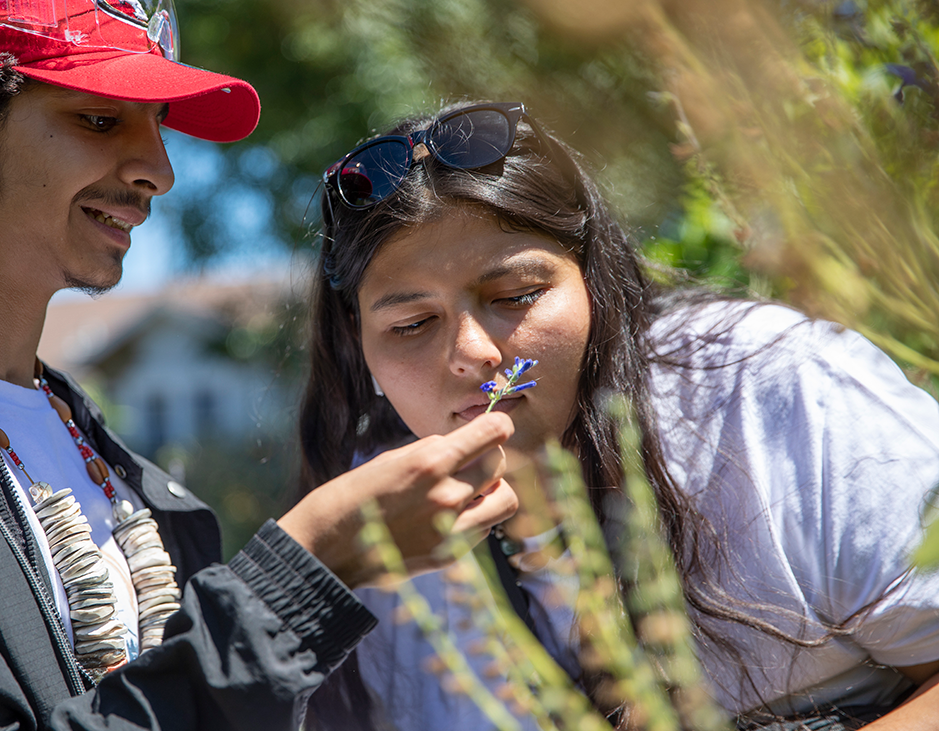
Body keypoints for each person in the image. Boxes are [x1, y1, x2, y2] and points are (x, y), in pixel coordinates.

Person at [0, 2, 522, 728]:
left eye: (158, 124)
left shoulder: (101, 451)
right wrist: (301, 580)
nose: (159, 170)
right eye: (99, 119)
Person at [297, 101, 939, 730]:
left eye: (517, 296)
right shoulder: (371, 529)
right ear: (360, 348)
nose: (474, 354)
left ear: (595, 285)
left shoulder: (768, 391)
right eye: (412, 325)